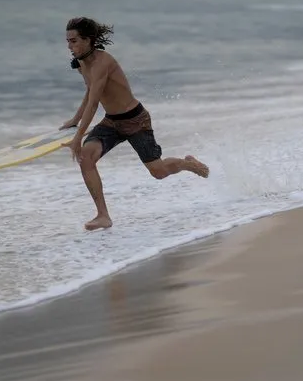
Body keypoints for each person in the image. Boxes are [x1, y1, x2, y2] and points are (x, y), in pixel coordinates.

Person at [60, 17, 209, 231]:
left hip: (135, 120)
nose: (69, 46)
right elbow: (90, 91)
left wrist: (77, 138)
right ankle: (103, 216)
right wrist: (75, 120)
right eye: (68, 41)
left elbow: (94, 103)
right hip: (112, 122)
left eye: (73, 41)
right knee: (86, 157)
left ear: (89, 40)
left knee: (158, 172)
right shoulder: (82, 62)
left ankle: (188, 163)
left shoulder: (103, 63)